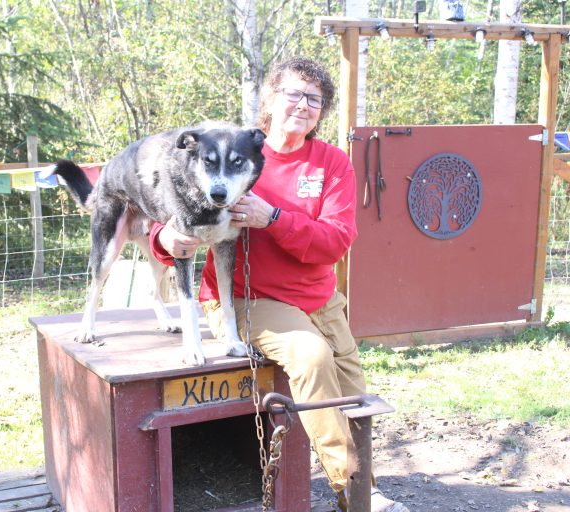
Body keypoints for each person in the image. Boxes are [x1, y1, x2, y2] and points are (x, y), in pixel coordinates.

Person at [148, 57, 409, 512]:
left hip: (317, 297)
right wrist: (162, 238)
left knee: (352, 386)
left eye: (314, 99)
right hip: (245, 297)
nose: (303, 105)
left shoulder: (331, 162)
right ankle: (349, 491)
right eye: (293, 94)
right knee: (311, 358)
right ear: (270, 98)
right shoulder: (234, 147)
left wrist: (273, 220)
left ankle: (367, 487)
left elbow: (336, 241)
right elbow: (167, 198)